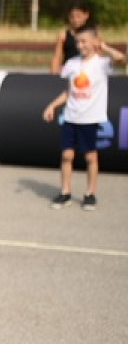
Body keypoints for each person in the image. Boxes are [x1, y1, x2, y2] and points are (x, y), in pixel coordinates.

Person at [42, 23, 125, 211]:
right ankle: (65, 192)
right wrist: (52, 105)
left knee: (90, 157)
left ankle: (90, 193)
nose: (80, 45)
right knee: (66, 155)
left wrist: (103, 47)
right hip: (71, 117)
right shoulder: (72, 64)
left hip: (89, 119)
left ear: (94, 41)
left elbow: (121, 59)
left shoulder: (101, 63)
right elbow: (69, 91)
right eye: (78, 42)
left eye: (84, 41)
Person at [49, 0, 92, 75]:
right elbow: (57, 56)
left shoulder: (92, 35)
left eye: (78, 16)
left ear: (86, 15)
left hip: (87, 72)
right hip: (69, 71)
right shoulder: (63, 35)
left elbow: (99, 56)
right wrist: (53, 76)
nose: (75, 20)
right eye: (72, 17)